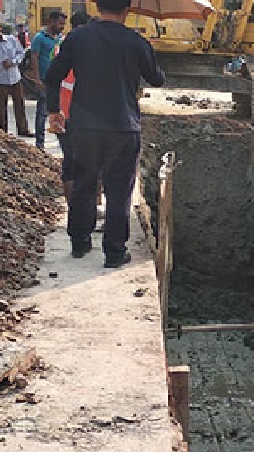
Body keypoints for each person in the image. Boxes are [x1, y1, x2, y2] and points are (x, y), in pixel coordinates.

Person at [46, 0, 165, 267]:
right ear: (128, 9)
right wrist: (148, 55)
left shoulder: (77, 38)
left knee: (84, 183)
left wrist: (54, 111)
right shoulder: (135, 41)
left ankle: (79, 241)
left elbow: (52, 76)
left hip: (85, 126)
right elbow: (157, 79)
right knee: (119, 190)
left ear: (98, 6)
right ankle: (113, 252)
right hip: (123, 126)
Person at [54, 11, 90, 201]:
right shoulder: (83, 46)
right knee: (85, 161)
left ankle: (73, 205)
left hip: (61, 111)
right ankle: (85, 205)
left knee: (69, 158)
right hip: (78, 113)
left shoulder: (62, 45)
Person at [0, 17, 32, 138]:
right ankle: (2, 132)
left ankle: (23, 129)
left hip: (15, 77)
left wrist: (13, 62)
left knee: (19, 104)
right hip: (1, 79)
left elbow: (21, 53)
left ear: (0, 27)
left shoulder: (12, 40)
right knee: (1, 107)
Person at [29, 10, 67, 150]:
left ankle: (60, 140)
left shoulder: (61, 39)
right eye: (60, 23)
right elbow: (35, 58)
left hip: (59, 81)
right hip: (45, 80)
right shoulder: (40, 38)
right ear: (51, 21)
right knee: (43, 112)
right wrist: (37, 79)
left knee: (58, 112)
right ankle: (40, 143)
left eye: (64, 24)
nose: (62, 26)